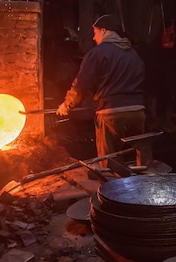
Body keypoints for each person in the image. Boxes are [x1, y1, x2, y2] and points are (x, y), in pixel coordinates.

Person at [56, 14, 146, 167]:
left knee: (109, 162)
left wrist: (67, 104)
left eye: (95, 32)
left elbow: (82, 84)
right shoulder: (133, 54)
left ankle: (111, 188)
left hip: (111, 115)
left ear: (104, 31)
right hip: (138, 113)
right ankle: (136, 187)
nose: (93, 38)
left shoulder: (98, 53)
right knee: (136, 161)